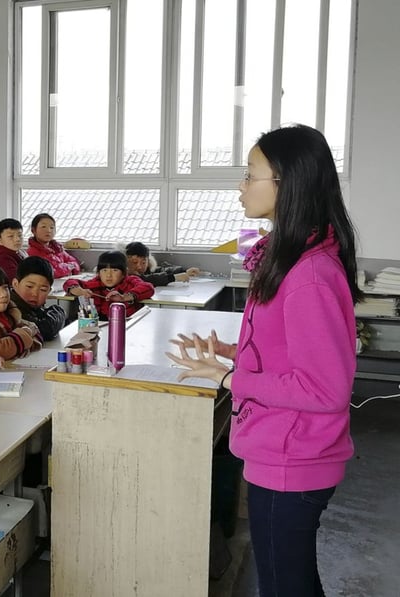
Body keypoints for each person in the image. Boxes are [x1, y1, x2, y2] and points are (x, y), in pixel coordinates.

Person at [167, 124, 362, 597]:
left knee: (284, 586)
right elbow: (288, 351)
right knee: (288, 580)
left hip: (293, 457)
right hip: (283, 448)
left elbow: (325, 388)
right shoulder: (293, 257)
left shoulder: (310, 274)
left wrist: (233, 377)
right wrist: (232, 352)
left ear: (287, 183)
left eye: (249, 174)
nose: (240, 186)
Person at [62, 250, 154, 319]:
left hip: (125, 327)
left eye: (115, 270)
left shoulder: (129, 281)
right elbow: (69, 282)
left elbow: (148, 287)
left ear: (124, 273)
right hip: (97, 327)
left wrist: (125, 297)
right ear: (99, 272)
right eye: (104, 270)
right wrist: (78, 290)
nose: (109, 275)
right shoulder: (95, 284)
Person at [10, 256, 65, 341]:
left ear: (49, 291)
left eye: (43, 290)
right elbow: (45, 329)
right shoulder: (11, 308)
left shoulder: (34, 307)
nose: (35, 294)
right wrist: (59, 310)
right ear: (15, 284)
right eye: (29, 286)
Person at [26, 213, 81, 278]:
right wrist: (69, 268)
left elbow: (75, 264)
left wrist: (65, 268)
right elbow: (50, 272)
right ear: (33, 230)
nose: (48, 230)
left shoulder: (57, 248)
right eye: (43, 227)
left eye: (52, 227)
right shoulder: (32, 252)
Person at [124, 241, 200, 287]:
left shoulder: (148, 269)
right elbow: (146, 280)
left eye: (143, 262)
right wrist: (173, 277)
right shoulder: (123, 274)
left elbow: (161, 270)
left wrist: (184, 271)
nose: (139, 266)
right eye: (134, 262)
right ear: (126, 261)